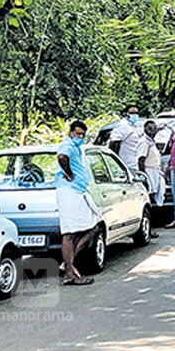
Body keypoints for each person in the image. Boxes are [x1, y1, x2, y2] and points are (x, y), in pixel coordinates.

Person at [56, 120, 101, 286]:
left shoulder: (77, 148)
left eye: (83, 134)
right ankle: (69, 273)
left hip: (80, 191)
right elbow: (62, 157)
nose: (80, 137)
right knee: (69, 234)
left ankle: (68, 262)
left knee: (94, 225)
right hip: (69, 192)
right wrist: (68, 173)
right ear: (71, 133)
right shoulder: (67, 144)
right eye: (78, 134)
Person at [140, 120, 164, 238]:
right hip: (148, 173)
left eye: (154, 129)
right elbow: (141, 160)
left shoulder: (151, 142)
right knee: (148, 203)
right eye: (150, 129)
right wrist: (143, 178)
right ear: (144, 129)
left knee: (154, 201)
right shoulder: (144, 142)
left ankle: (149, 229)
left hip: (155, 173)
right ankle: (147, 230)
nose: (152, 131)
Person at [110, 104, 147, 174]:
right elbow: (114, 144)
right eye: (132, 113)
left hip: (136, 165)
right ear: (126, 114)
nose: (135, 115)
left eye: (136, 113)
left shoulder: (136, 126)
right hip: (127, 165)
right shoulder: (122, 126)